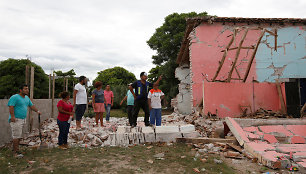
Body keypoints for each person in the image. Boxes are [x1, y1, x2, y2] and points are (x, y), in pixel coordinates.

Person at [7, 84, 41, 155]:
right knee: (16, 136)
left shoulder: (26, 98)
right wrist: (12, 116)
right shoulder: (15, 97)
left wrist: (37, 111)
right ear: (20, 90)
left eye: (27, 89)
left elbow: (31, 106)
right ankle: (15, 152)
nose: (27, 90)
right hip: (16, 119)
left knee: (19, 135)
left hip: (22, 119)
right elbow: (11, 106)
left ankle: (17, 150)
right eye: (25, 89)